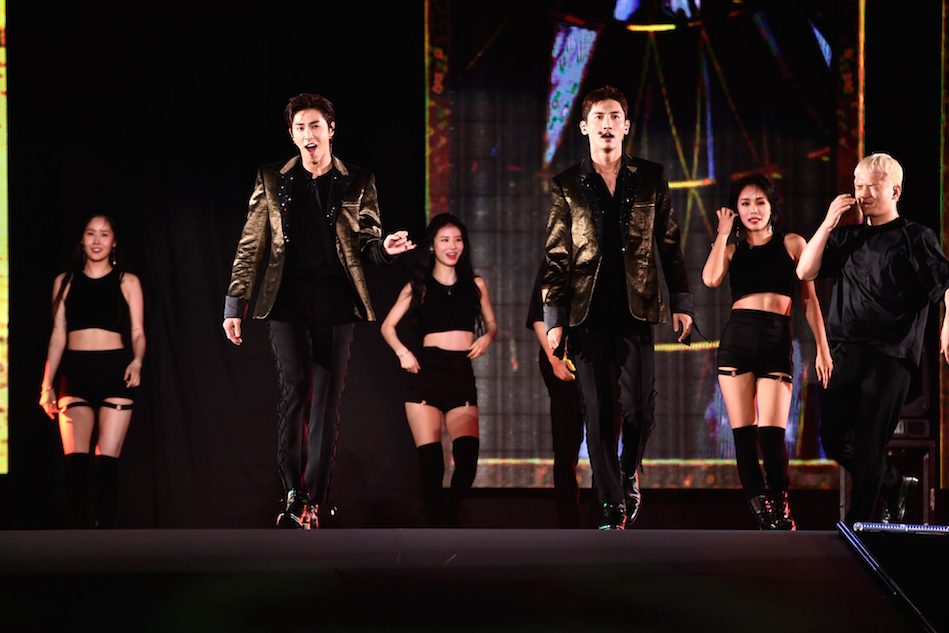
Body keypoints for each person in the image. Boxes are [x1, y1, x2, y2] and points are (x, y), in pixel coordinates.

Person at [222, 92, 415, 529]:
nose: (308, 134)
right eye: (300, 128)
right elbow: (251, 245)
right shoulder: (272, 179)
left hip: (336, 300)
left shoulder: (358, 181)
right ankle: (293, 492)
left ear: (331, 130)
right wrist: (235, 304)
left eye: (315, 126)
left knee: (327, 401)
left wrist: (385, 249)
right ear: (292, 135)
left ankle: (315, 497)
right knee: (296, 390)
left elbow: (368, 243)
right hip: (286, 300)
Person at [541, 85, 694, 530]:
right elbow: (557, 256)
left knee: (640, 408)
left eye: (614, 117)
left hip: (636, 309)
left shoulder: (650, 177)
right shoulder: (567, 184)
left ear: (626, 126)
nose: (606, 125)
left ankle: (627, 474)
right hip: (586, 313)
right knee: (598, 410)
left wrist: (682, 302)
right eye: (598, 117)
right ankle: (610, 503)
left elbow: (669, 243)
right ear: (584, 127)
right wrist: (554, 319)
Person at [797, 153, 949, 525]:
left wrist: (948, 325)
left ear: (894, 191)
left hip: (891, 353)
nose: (862, 194)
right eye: (858, 186)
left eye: (871, 186)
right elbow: (805, 270)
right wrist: (828, 223)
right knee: (833, 437)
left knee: (869, 440)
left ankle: (859, 525)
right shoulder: (847, 237)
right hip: (846, 349)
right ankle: (894, 484)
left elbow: (945, 285)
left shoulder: (916, 237)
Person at [702, 175, 832, 530]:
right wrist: (723, 234)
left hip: (776, 343)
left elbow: (809, 301)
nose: (753, 210)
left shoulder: (792, 243)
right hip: (737, 344)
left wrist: (822, 349)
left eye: (760, 202)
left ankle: (780, 504)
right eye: (745, 204)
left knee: (772, 435)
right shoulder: (732, 249)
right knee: (743, 434)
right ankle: (763, 513)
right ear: (735, 209)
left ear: (772, 205)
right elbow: (710, 279)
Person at [380, 213, 497, 527]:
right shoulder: (417, 286)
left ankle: (449, 516)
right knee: (431, 464)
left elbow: (492, 324)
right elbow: (387, 326)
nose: (452, 246)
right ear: (432, 245)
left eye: (457, 240)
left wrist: (487, 337)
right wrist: (403, 352)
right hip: (426, 375)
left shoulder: (475, 285)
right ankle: (436, 529)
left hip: (460, 374)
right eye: (445, 240)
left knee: (467, 460)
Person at [39, 214, 145, 528]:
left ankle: (105, 538)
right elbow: (57, 335)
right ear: (82, 240)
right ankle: (78, 538)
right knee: (74, 463)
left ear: (114, 242)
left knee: (106, 465)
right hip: (76, 373)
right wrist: (46, 384)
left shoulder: (127, 281)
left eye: (104, 234)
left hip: (115, 371)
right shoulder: (65, 282)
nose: (97, 240)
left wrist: (137, 361)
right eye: (90, 233)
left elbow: (138, 331)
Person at [526, 261, 584, 528]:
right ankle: (569, 521)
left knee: (605, 439)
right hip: (563, 356)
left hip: (600, 356)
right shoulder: (555, 260)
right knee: (566, 442)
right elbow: (539, 315)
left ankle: (608, 515)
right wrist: (554, 359)